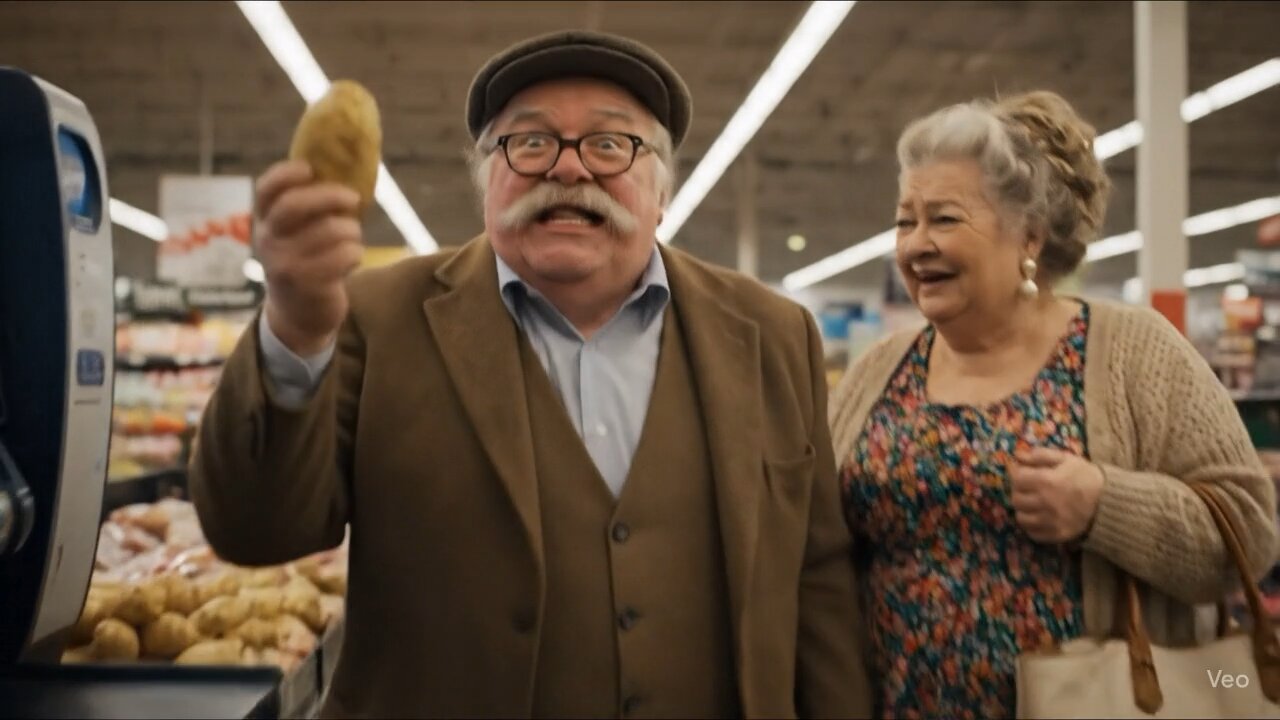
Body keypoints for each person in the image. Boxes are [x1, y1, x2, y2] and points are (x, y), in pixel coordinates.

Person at [189, 29, 871, 719]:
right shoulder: (374, 318)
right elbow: (256, 530)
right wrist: (296, 332)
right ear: (487, 181)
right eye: (530, 142)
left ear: (662, 190)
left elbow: (817, 585)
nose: (569, 170)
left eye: (610, 144)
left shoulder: (771, 335)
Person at [828, 90, 1280, 719]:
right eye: (906, 221)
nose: (915, 244)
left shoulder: (1132, 352)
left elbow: (1251, 533)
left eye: (945, 219)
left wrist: (1104, 504)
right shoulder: (878, 370)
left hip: (1102, 701)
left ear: (1028, 238)